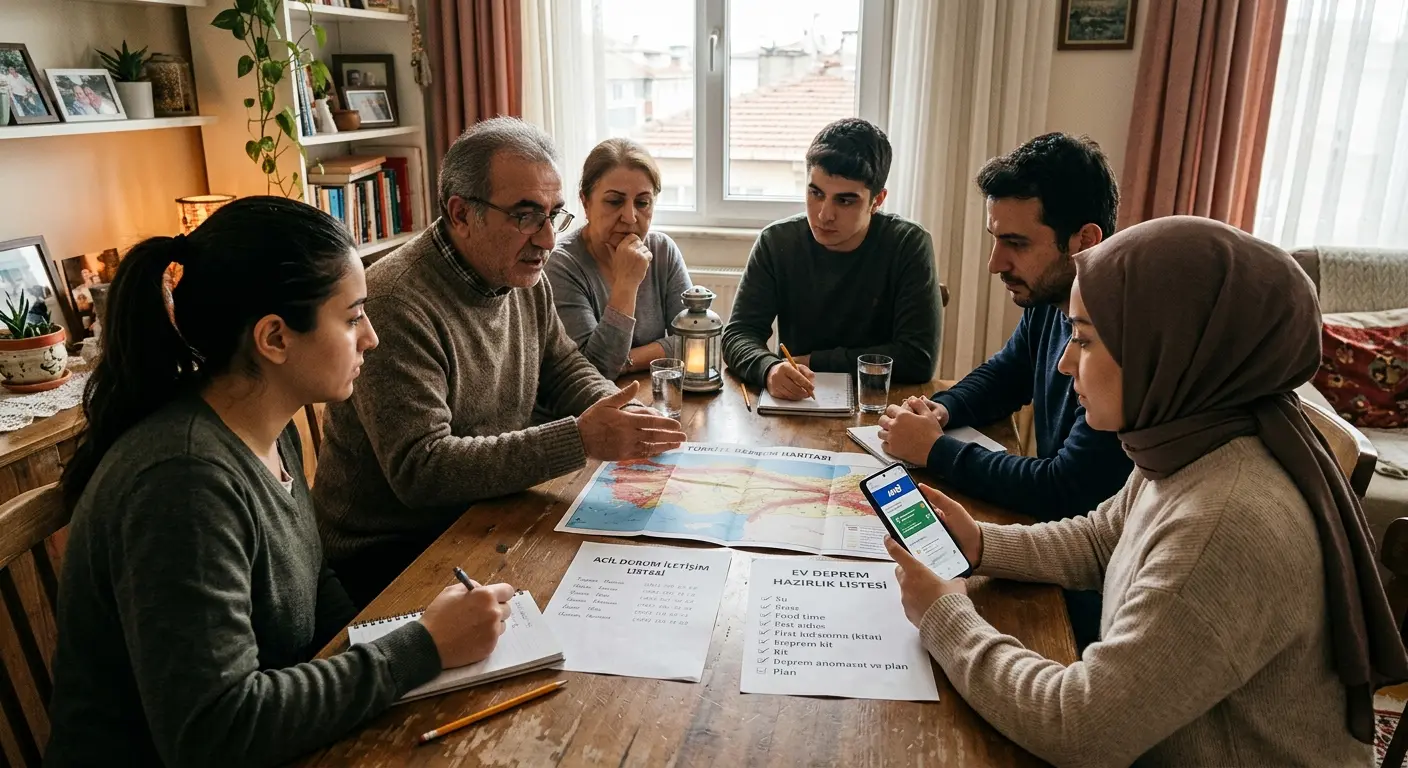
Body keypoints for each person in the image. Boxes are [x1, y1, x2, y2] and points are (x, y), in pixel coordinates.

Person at [885, 216, 1408, 767]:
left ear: (1170, 349)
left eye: (1084, 340)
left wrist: (946, 616)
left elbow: (1080, 728)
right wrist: (982, 545)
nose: (1065, 363)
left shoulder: (1226, 521)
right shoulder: (1194, 438)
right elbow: (1100, 540)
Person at [46, 197, 517, 767]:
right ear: (273, 338)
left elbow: (315, 589)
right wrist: (422, 647)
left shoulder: (270, 427)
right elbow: (213, 734)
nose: (371, 337)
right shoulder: (184, 482)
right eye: (351, 317)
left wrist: (412, 648)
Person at [314, 117, 687, 606]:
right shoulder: (395, 302)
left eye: (553, 215)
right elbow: (421, 470)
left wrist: (614, 410)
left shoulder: (521, 276)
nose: (548, 240)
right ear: (461, 213)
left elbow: (563, 367)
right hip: (392, 559)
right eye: (525, 216)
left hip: (487, 516)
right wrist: (582, 437)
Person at [878, 134, 1131, 649]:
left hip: (1091, 601)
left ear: (1084, 239)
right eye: (995, 239)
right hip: (1060, 555)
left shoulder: (1124, 340)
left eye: (1015, 243)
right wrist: (940, 411)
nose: (995, 263)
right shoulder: (1049, 299)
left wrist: (935, 450)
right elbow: (1007, 373)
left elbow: (1064, 488)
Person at [722, 117, 941, 401]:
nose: (825, 215)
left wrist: (813, 362)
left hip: (879, 406)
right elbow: (738, 335)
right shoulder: (776, 241)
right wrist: (769, 369)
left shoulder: (908, 244)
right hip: (797, 404)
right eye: (816, 193)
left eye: (845, 201)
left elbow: (917, 359)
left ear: (877, 200)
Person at [548, 137, 693, 377]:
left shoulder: (663, 250)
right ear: (585, 202)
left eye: (643, 202)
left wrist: (626, 360)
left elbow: (692, 341)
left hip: (652, 393)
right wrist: (626, 284)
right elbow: (596, 370)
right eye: (614, 201)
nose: (630, 216)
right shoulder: (561, 265)